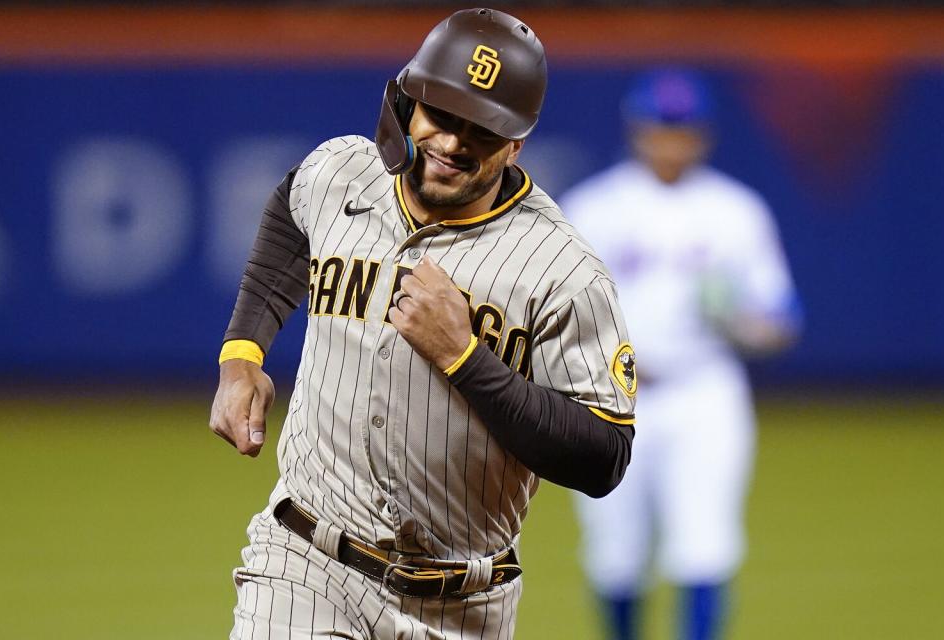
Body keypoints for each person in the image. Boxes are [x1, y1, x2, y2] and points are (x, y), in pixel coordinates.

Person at [209, 9, 638, 640]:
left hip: (463, 606)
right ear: (408, 104)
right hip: (306, 561)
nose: (455, 142)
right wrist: (243, 353)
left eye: (483, 131)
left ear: (516, 143)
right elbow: (289, 210)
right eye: (442, 115)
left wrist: (465, 358)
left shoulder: (562, 271)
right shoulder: (343, 172)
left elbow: (604, 456)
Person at [562, 69, 802, 640]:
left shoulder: (735, 211)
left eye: (683, 129)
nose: (672, 141)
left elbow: (782, 318)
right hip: (609, 397)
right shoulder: (591, 207)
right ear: (637, 130)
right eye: (661, 128)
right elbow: (551, 311)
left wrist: (744, 325)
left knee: (704, 546)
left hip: (704, 391)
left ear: (703, 135)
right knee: (614, 552)